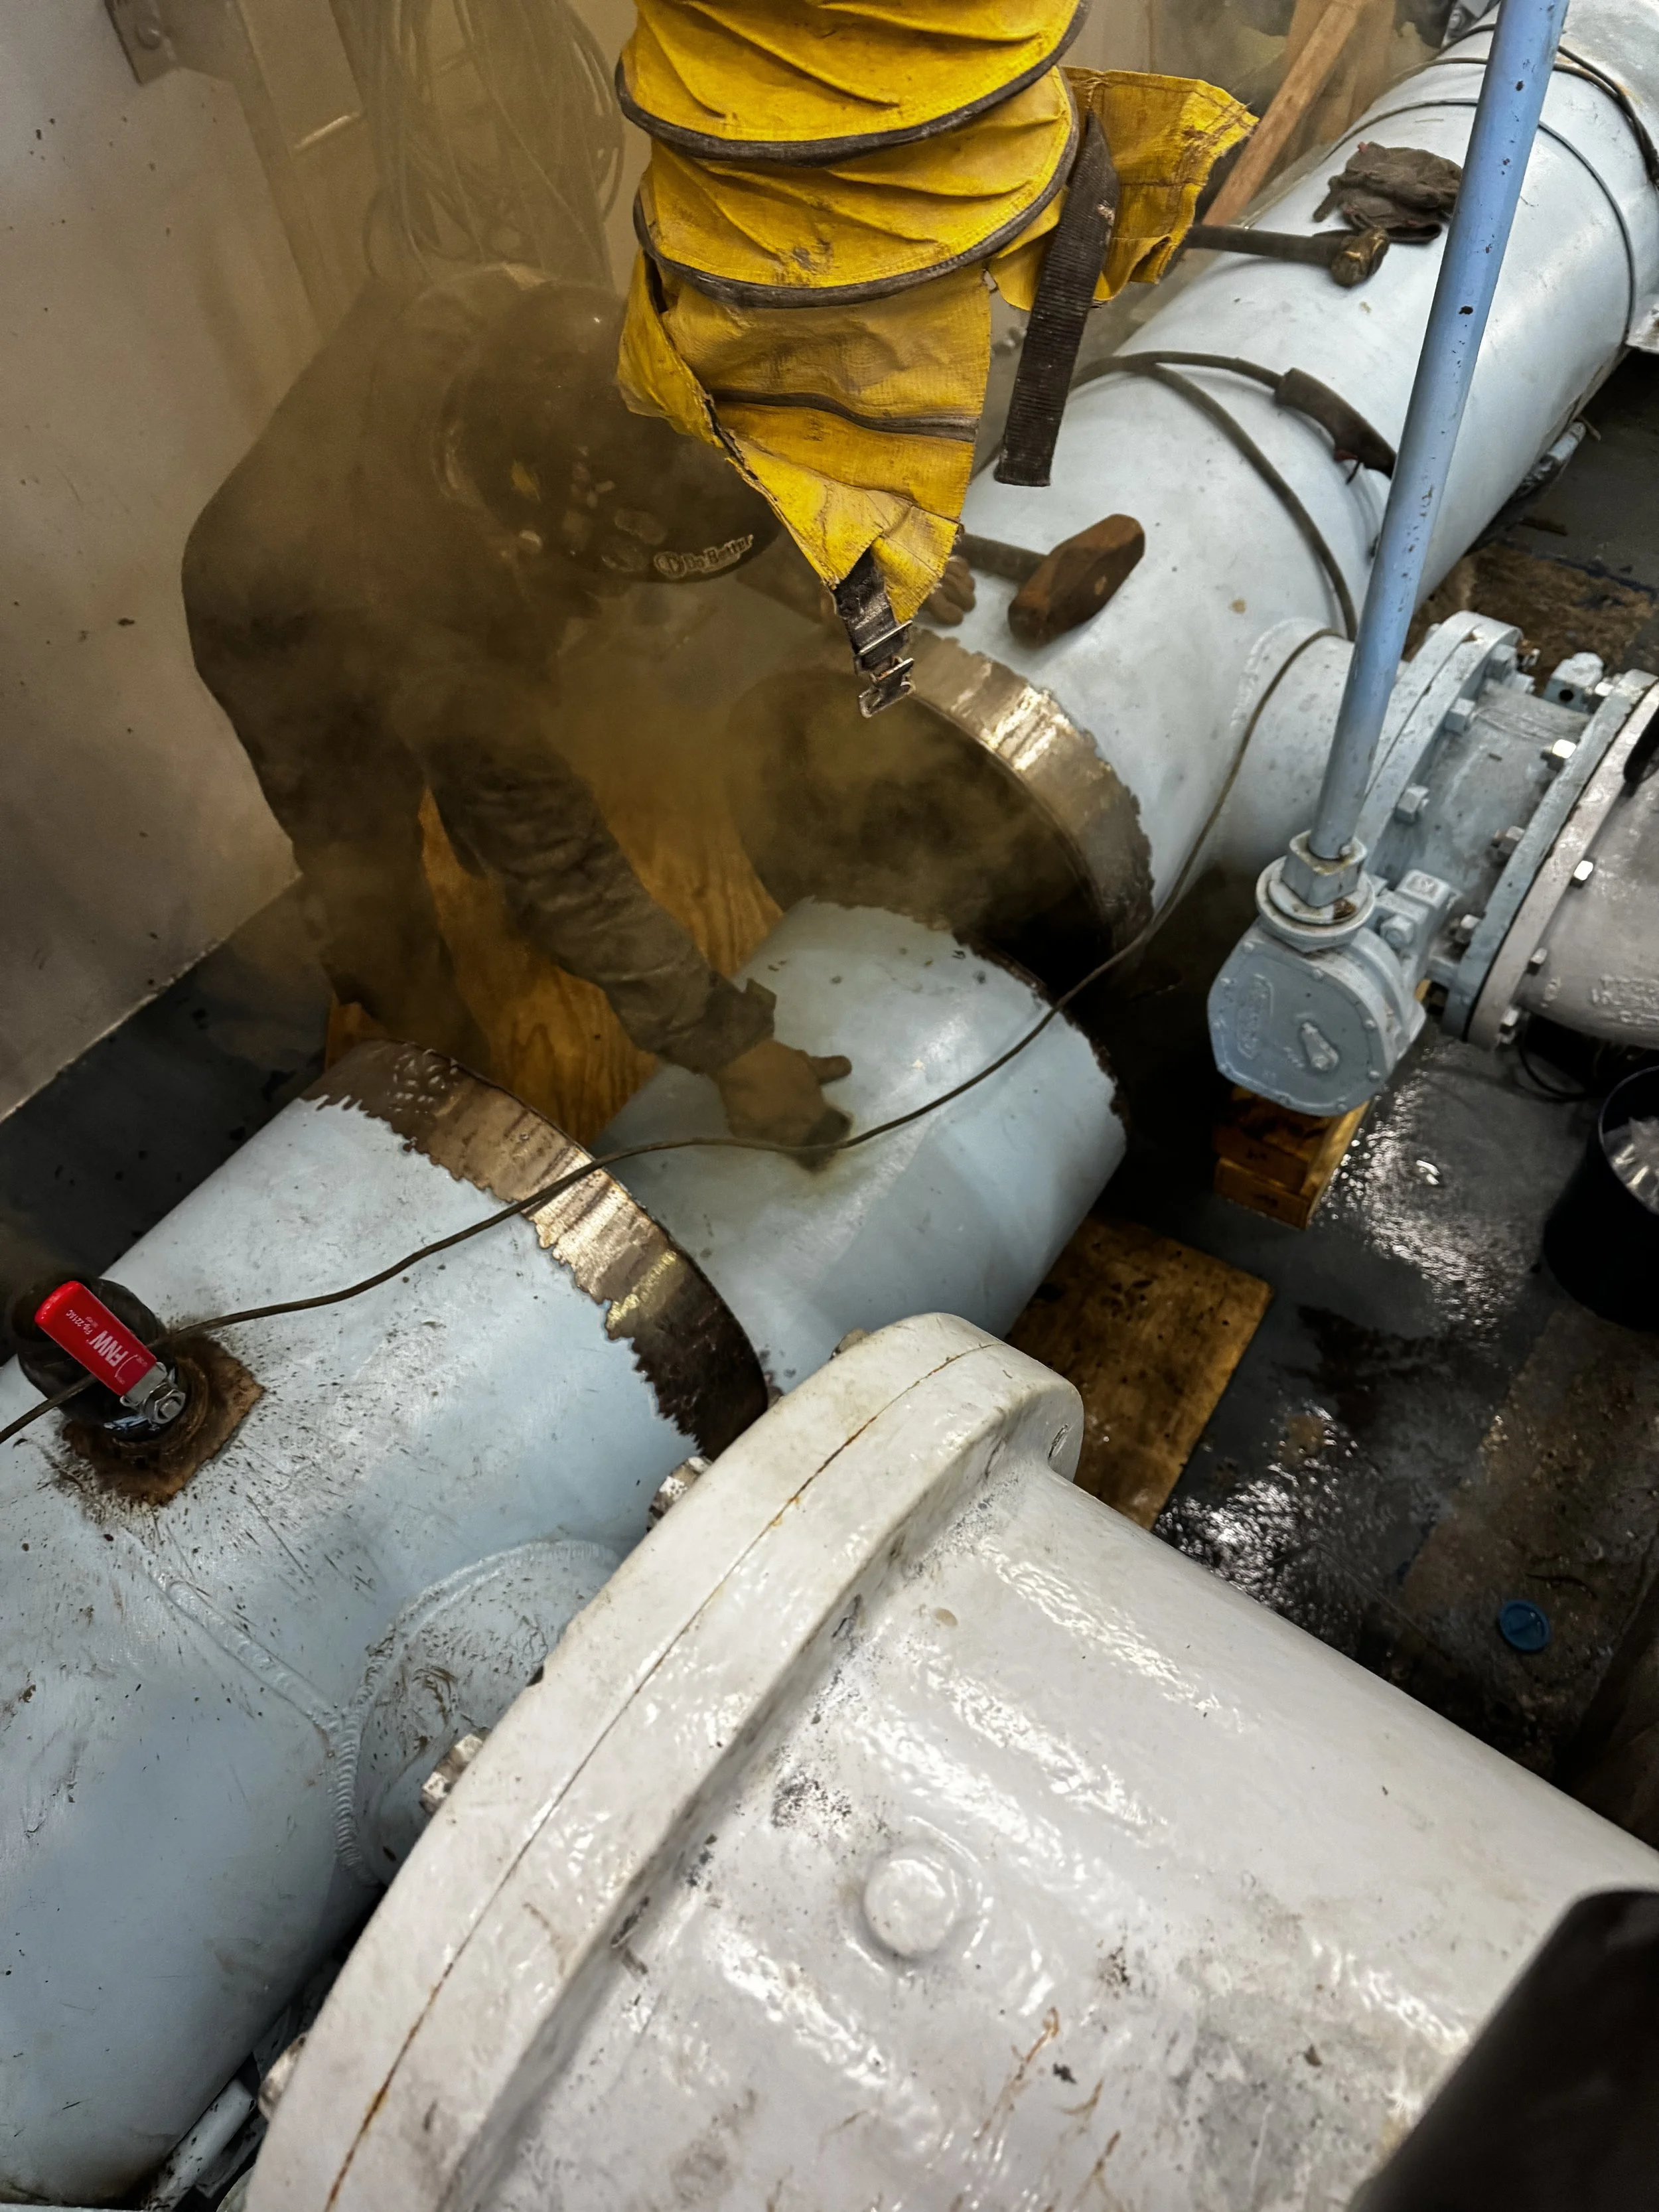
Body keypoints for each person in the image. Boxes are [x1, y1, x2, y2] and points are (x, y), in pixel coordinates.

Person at [183, 264, 875, 1149]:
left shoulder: (535, 333)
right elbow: (566, 866)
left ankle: (487, 882)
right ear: (523, 545)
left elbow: (680, 462)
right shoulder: (433, 639)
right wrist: (730, 1046)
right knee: (362, 853)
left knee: (508, 761)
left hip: (411, 560)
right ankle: (440, 1092)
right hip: (271, 618)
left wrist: (815, 569)